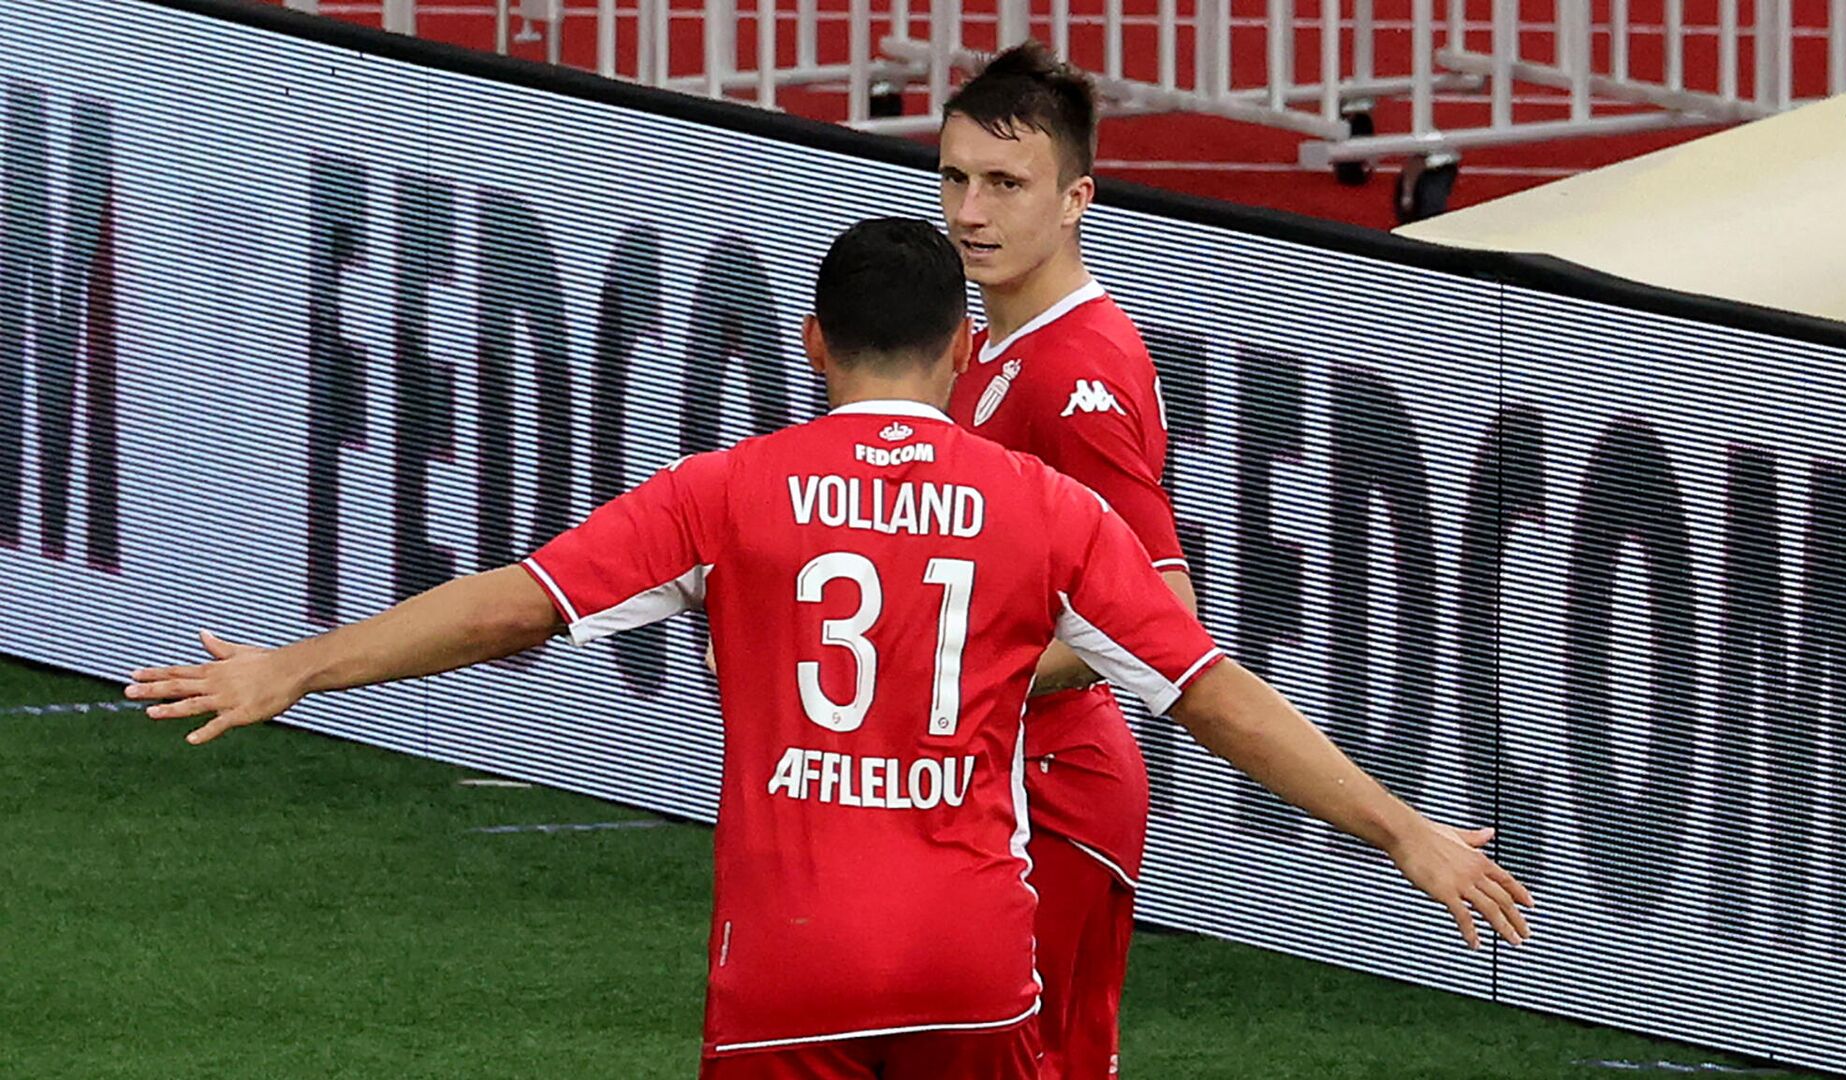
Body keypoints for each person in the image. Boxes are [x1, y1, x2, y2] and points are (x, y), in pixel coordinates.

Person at [126, 218, 1531, 1080]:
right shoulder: (1046, 512)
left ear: (812, 343)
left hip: (787, 959)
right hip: (969, 958)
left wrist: (292, 667)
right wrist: (1399, 828)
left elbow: (516, 601)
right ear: (959, 349)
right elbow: (1214, 695)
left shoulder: (728, 491)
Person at [938, 42, 1198, 1076]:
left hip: (1056, 780)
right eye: (956, 178)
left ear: (1077, 196)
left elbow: (1162, 606)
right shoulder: (989, 344)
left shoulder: (1075, 373)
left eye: (1005, 184)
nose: (970, 211)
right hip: (1000, 771)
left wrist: (961, 678)